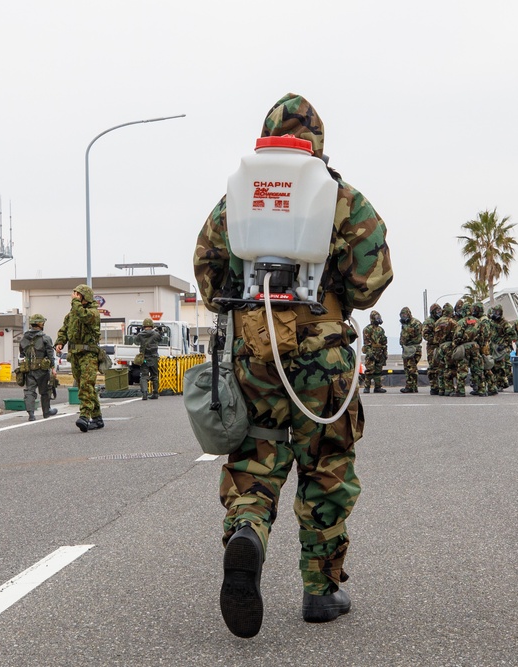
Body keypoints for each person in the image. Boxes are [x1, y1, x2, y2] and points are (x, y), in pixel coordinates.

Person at [193, 92, 392, 638]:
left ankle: (249, 533)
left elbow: (208, 276)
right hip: (322, 358)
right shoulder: (340, 197)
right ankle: (320, 590)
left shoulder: (236, 196)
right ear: (317, 144)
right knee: (326, 469)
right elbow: (372, 280)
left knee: (254, 460)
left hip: (253, 352)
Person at [54, 284, 104, 433]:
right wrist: (60, 342)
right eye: (74, 293)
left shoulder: (93, 312)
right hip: (75, 355)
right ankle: (97, 418)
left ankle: (84, 416)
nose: (74, 296)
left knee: (87, 385)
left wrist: (75, 303)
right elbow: (64, 329)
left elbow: (84, 316)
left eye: (78, 294)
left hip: (89, 354)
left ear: (85, 297)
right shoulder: (71, 315)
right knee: (84, 385)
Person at [18, 314, 58, 421]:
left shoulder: (23, 339)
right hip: (42, 370)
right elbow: (50, 355)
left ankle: (31, 414)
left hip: (29, 370)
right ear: (40, 324)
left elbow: (22, 354)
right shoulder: (46, 338)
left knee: (30, 391)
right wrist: (53, 368)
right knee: (45, 391)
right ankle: (46, 411)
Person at [134, 318, 162, 400]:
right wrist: (160, 332)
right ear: (152, 326)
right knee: (155, 376)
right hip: (154, 357)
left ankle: (145, 393)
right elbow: (160, 340)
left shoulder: (140, 335)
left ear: (144, 326)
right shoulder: (156, 334)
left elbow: (136, 342)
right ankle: (155, 393)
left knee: (144, 376)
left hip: (144, 358)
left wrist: (138, 333)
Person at [362, 311, 387, 394]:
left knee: (378, 371)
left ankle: (378, 387)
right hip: (371, 352)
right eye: (376, 317)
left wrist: (385, 353)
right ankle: (367, 387)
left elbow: (384, 342)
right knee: (369, 371)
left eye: (378, 317)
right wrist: (370, 354)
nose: (378, 319)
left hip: (379, 353)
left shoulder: (381, 330)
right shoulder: (367, 329)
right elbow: (366, 343)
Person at [398, 306, 422, 393]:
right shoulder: (405, 324)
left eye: (404, 314)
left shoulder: (415, 323)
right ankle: (411, 386)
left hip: (413, 348)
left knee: (412, 368)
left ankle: (411, 386)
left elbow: (412, 336)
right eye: (402, 315)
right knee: (407, 368)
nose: (403, 317)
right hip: (406, 348)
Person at [422, 303, 443, 395]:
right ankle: (434, 387)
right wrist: (436, 339)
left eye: (440, 311)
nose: (439, 313)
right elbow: (425, 335)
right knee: (433, 366)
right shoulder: (428, 322)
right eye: (437, 311)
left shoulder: (442, 320)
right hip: (432, 347)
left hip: (442, 346)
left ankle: (443, 386)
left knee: (442, 365)